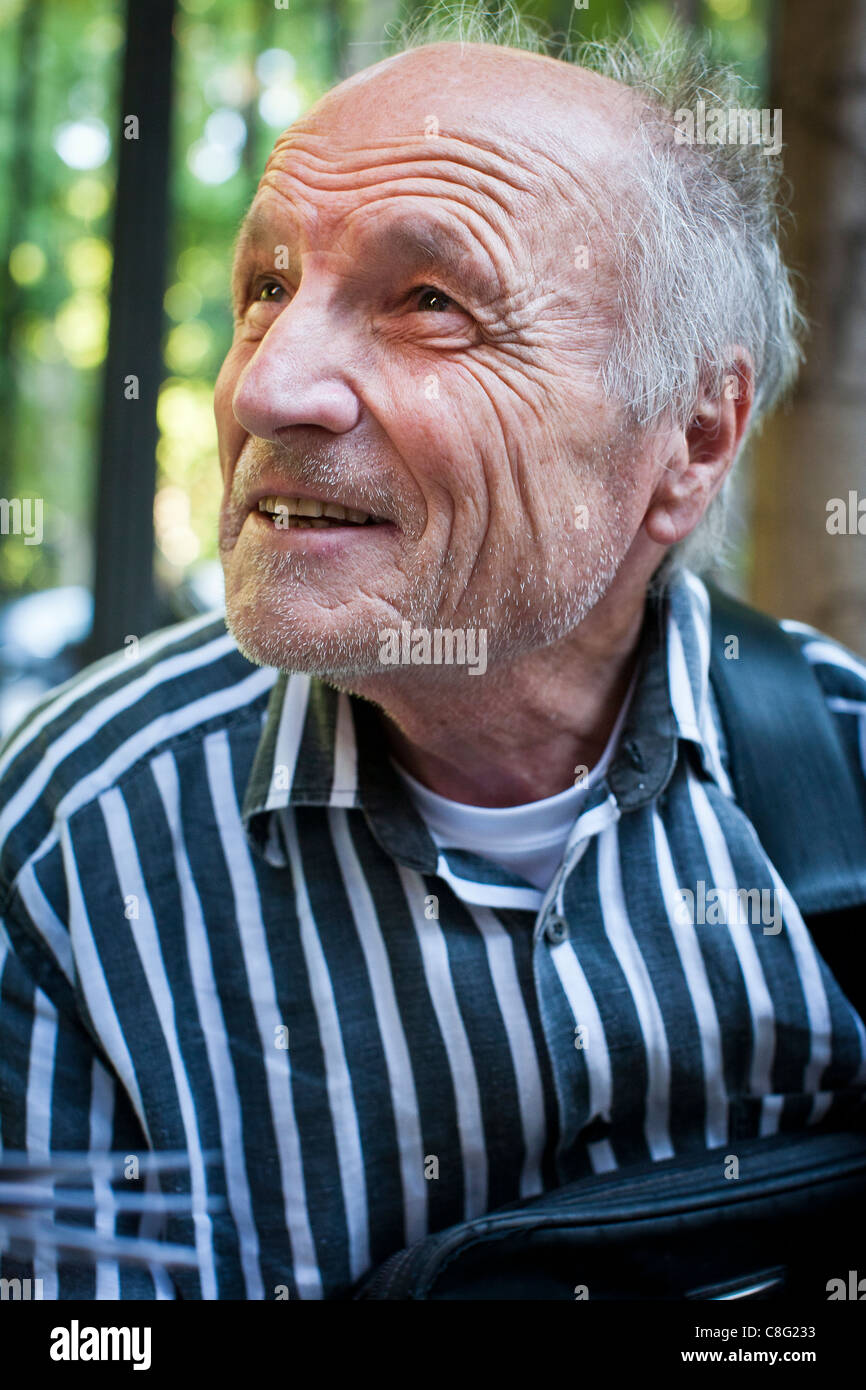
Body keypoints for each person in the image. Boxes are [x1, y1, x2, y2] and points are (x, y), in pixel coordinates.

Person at [1, 7, 864, 1301]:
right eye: (269, 285)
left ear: (689, 439)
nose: (262, 388)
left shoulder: (844, 771)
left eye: (427, 300)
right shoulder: (75, 849)